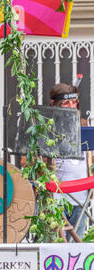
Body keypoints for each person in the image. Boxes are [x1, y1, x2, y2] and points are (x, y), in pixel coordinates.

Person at [49, 83, 90, 241]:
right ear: (54, 105)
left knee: (77, 241)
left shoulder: (84, 125)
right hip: (57, 195)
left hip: (81, 194)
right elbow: (28, 161)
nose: (71, 106)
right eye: (66, 103)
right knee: (57, 242)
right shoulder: (47, 127)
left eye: (74, 102)